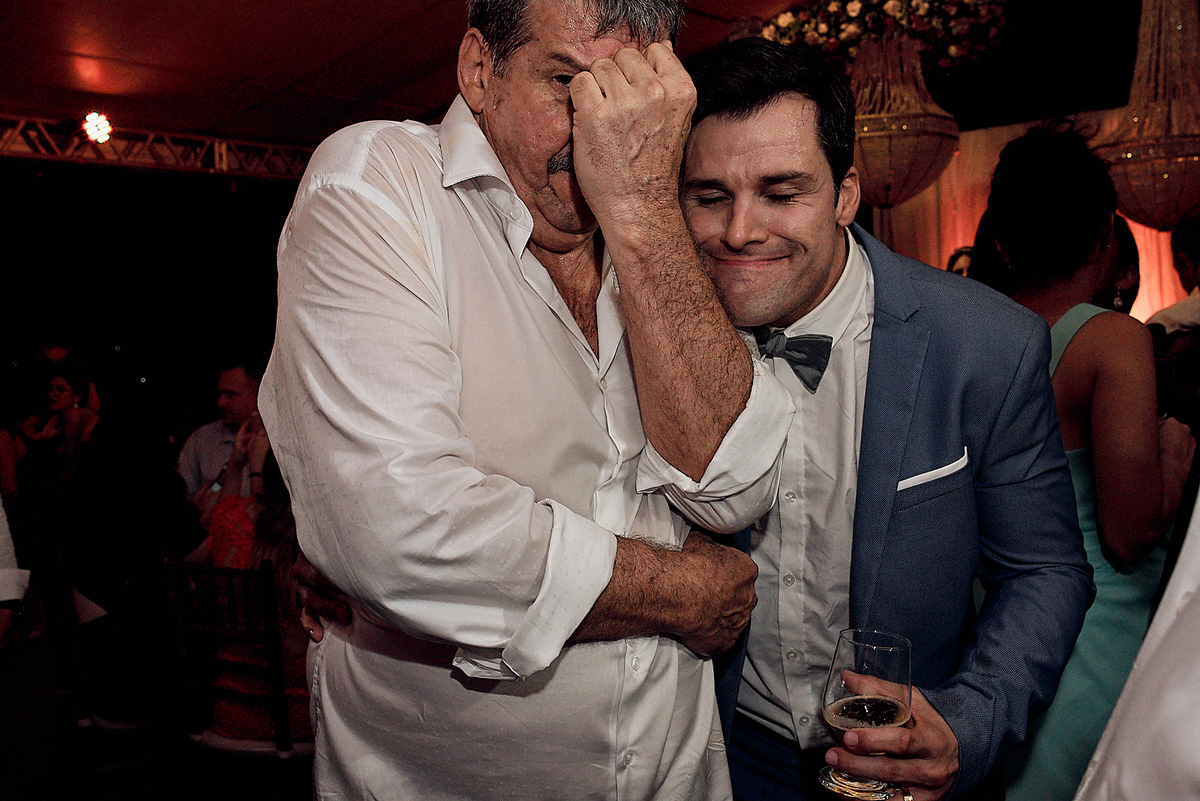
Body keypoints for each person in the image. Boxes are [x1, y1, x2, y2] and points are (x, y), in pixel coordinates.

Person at [259, 0, 793, 798]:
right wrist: (679, 593)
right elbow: (400, 528)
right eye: (569, 84)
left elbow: (735, 485)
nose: (607, 132)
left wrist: (645, 211)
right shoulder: (377, 185)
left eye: (634, 95)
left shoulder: (660, 215)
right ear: (480, 69)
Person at [681, 38, 1095, 801]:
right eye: (709, 195)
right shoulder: (657, 338)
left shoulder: (987, 344)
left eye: (780, 192)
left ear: (845, 195)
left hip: (904, 766)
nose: (740, 231)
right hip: (723, 752)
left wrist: (966, 722)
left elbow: (1045, 571)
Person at [986, 124, 1195, 801]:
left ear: (1001, 240)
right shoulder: (1111, 338)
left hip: (999, 635)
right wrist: (1174, 452)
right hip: (1099, 635)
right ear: (1106, 236)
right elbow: (1129, 530)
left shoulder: (976, 334)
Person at [176, 359, 261, 502]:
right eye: (220, 394)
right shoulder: (202, 439)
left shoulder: (280, 440)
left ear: (258, 395)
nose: (220, 402)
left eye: (230, 394)